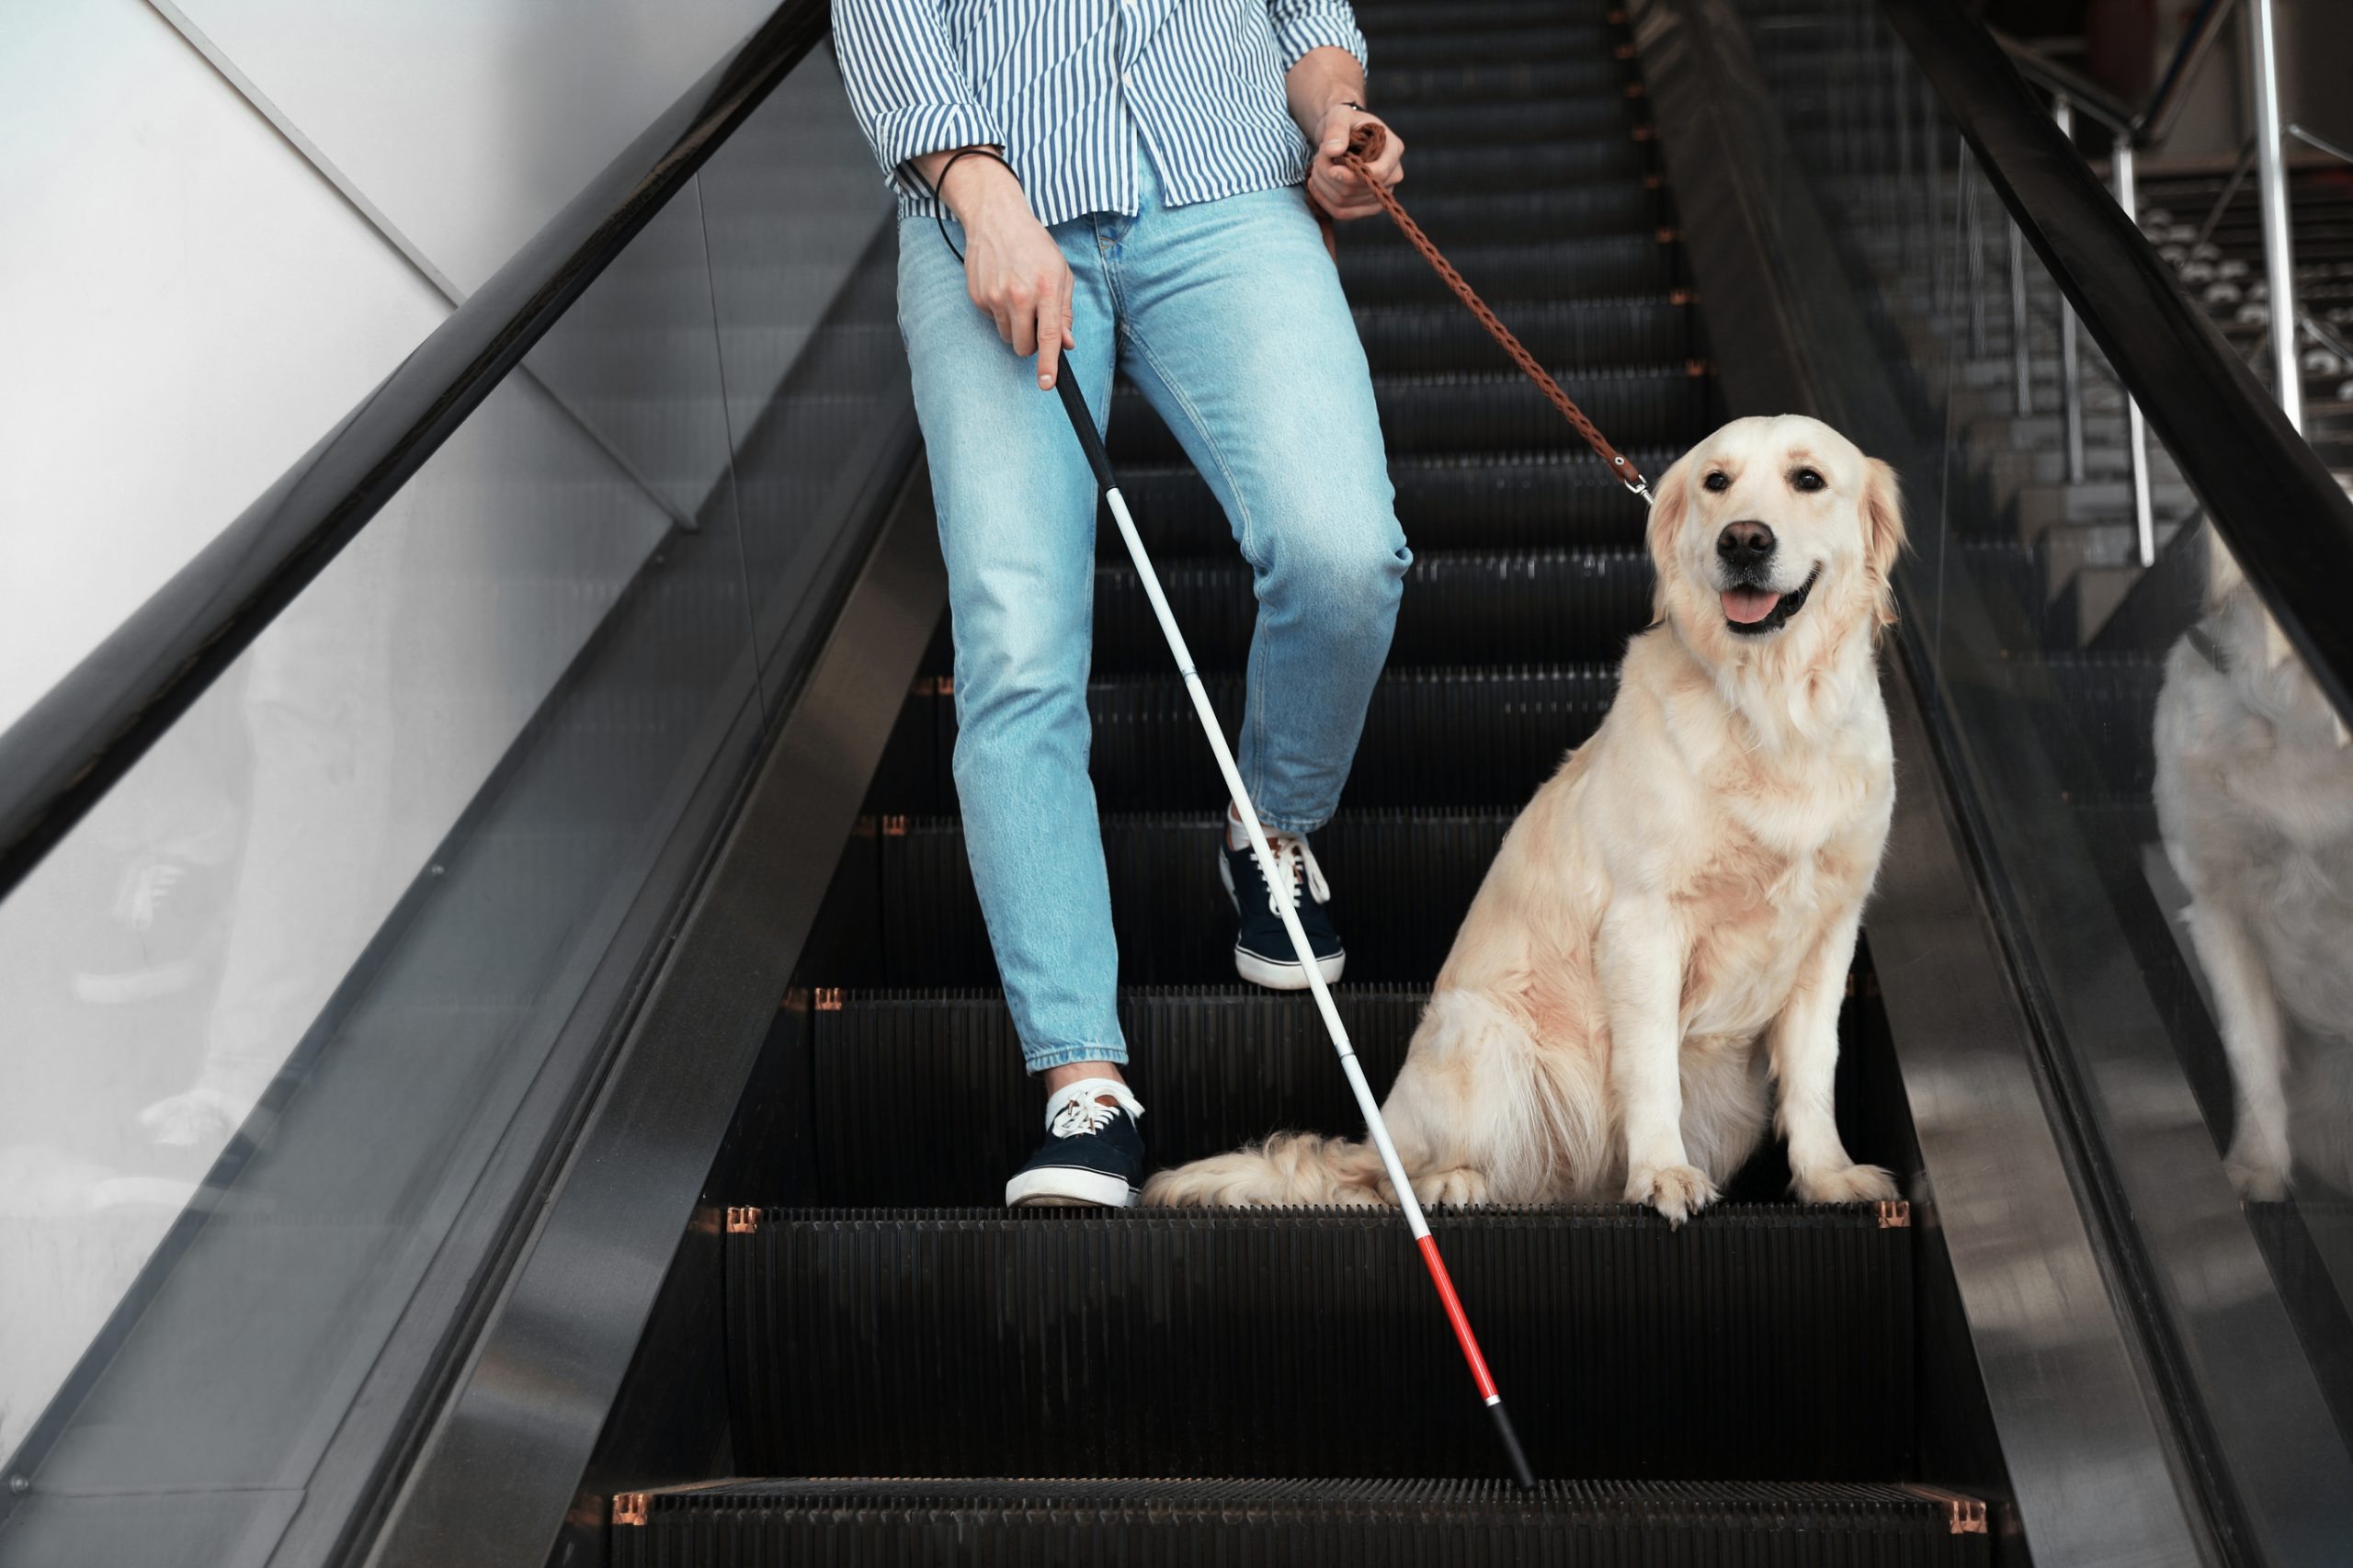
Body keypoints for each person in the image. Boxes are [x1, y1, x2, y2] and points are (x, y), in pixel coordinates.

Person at [834, 0, 1409, 1207]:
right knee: (1017, 642)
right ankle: (1083, 1080)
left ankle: (1274, 827)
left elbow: (1303, 13)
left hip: (1227, 184)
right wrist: (976, 187)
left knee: (1344, 552)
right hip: (992, 202)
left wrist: (1336, 115)